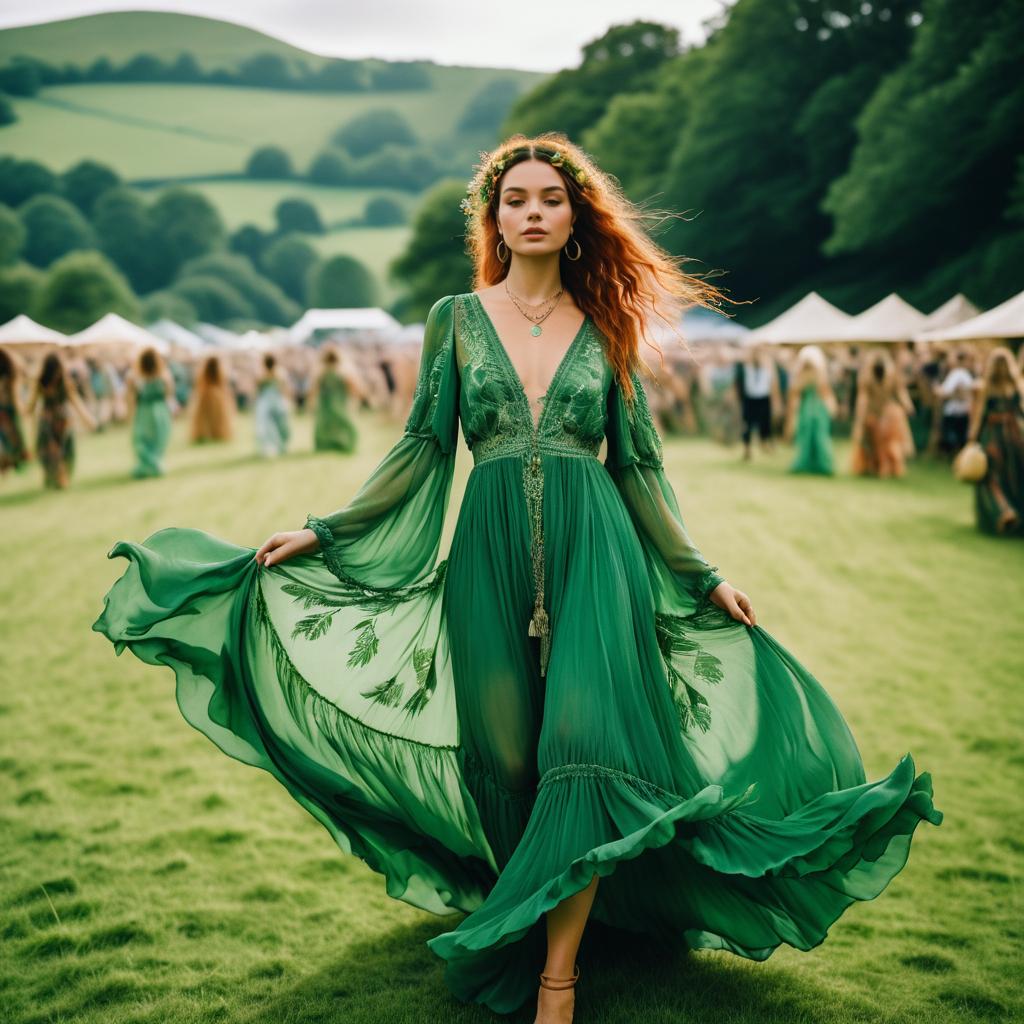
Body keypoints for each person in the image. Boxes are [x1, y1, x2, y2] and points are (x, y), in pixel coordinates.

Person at [93, 133, 941, 1022]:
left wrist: (700, 574)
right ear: (494, 218)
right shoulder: (454, 320)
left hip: (597, 554)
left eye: (550, 199)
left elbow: (640, 467)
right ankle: (550, 903)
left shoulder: (608, 324)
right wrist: (326, 532)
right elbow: (423, 446)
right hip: (486, 555)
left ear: (575, 218)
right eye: (515, 200)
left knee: (583, 753)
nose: (532, 212)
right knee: (503, 756)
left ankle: (558, 977)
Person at [966, 346, 1024, 536]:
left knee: (1001, 476)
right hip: (1007, 437)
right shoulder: (1008, 387)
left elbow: (980, 416)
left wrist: (973, 439)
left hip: (1001, 438)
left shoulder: (997, 387)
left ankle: (1006, 513)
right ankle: (1005, 513)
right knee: (1004, 475)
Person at [27, 350, 96, 488]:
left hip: (62, 423)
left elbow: (75, 401)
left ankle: (60, 479)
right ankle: (53, 479)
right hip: (49, 424)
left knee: (64, 452)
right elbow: (31, 405)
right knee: (51, 453)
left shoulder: (65, 382)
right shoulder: (40, 383)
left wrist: (88, 420)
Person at [850, 349, 916, 478]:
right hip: (873, 414)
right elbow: (863, 399)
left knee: (885, 443)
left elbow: (900, 392)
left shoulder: (891, 375)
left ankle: (885, 467)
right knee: (872, 443)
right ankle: (876, 467)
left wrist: (908, 406)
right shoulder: (866, 377)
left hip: (886, 415)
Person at [784, 344, 838, 475]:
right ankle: (805, 463)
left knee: (820, 437)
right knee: (805, 437)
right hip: (806, 411)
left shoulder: (819, 377)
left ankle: (823, 464)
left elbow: (826, 393)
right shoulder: (800, 377)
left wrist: (831, 408)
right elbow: (795, 394)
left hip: (818, 411)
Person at [126, 347, 174, 478]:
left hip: (144, 410)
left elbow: (131, 398)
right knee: (159, 439)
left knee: (142, 440)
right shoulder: (164, 375)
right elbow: (169, 394)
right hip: (160, 410)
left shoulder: (134, 377)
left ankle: (147, 466)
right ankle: (155, 464)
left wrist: (130, 415)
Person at [312, 346, 363, 453]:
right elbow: (354, 388)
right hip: (339, 404)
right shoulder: (342, 372)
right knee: (347, 426)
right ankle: (348, 445)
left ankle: (325, 445)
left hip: (325, 405)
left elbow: (313, 389)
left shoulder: (322, 373)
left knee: (324, 426)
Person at [734, 343, 779, 460]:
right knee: (747, 424)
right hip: (749, 398)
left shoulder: (768, 365)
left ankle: (764, 443)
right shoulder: (745, 364)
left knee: (765, 423)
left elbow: (773, 384)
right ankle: (747, 448)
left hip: (763, 397)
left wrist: (776, 401)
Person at [937, 349, 976, 455]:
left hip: (957, 411)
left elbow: (945, 392)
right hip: (959, 411)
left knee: (956, 437)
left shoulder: (958, 373)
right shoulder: (960, 374)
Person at [253, 352, 291, 458]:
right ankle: (282, 446)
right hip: (278, 401)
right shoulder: (280, 374)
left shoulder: (262, 375)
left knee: (267, 426)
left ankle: (270, 447)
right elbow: (285, 389)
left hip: (265, 403)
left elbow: (257, 391)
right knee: (281, 424)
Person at [190, 354, 235, 443]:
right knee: (218, 418)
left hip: (206, 395)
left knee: (205, 418)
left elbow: (199, 385)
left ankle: (206, 434)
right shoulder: (220, 373)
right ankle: (217, 433)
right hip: (218, 396)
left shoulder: (203, 374)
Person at [0, 345, 30, 475]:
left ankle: (15, 461)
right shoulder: (9, 362)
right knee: (11, 435)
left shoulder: (8, 365)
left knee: (12, 435)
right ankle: (14, 461)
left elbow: (13, 390)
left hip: (7, 408)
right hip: (7, 408)